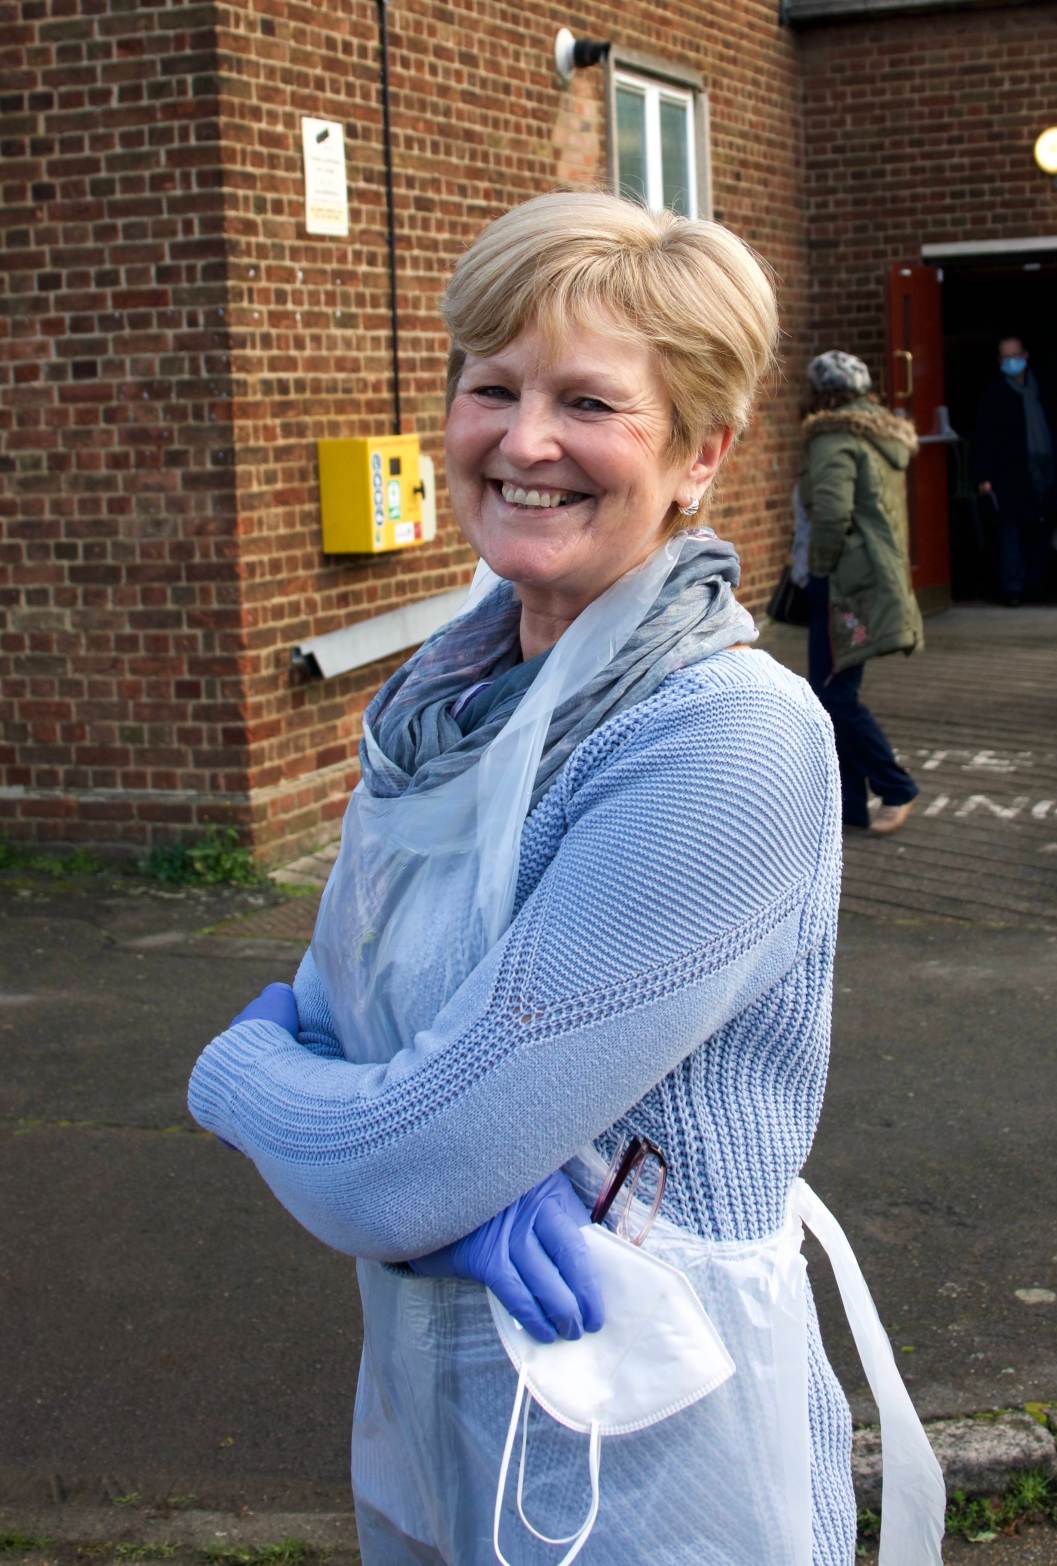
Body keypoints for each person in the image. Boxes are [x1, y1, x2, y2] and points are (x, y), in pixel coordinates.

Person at [188, 195, 943, 1565]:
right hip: (436, 1403)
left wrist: (235, 1077)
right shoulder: (447, 709)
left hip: (661, 1445)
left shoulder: (726, 737)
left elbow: (388, 1153)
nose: (524, 440)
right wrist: (409, 1146)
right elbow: (358, 1034)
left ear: (700, 453)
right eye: (493, 387)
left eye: (588, 400)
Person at [801, 349, 922, 836]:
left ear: (823, 393)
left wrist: (817, 570)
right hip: (876, 577)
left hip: (842, 583)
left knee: (833, 695)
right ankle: (849, 805)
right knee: (837, 690)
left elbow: (831, 514)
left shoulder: (834, 438)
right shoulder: (879, 437)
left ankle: (896, 786)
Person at [972, 335, 1057, 605]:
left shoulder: (1041, 389)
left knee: (1039, 529)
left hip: (1042, 468)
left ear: (1026, 355)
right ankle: (1013, 589)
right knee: (1010, 533)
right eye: (1005, 357)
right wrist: (983, 476)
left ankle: (1036, 586)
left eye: (1015, 355)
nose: (1011, 362)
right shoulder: (994, 395)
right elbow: (984, 437)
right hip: (1008, 472)